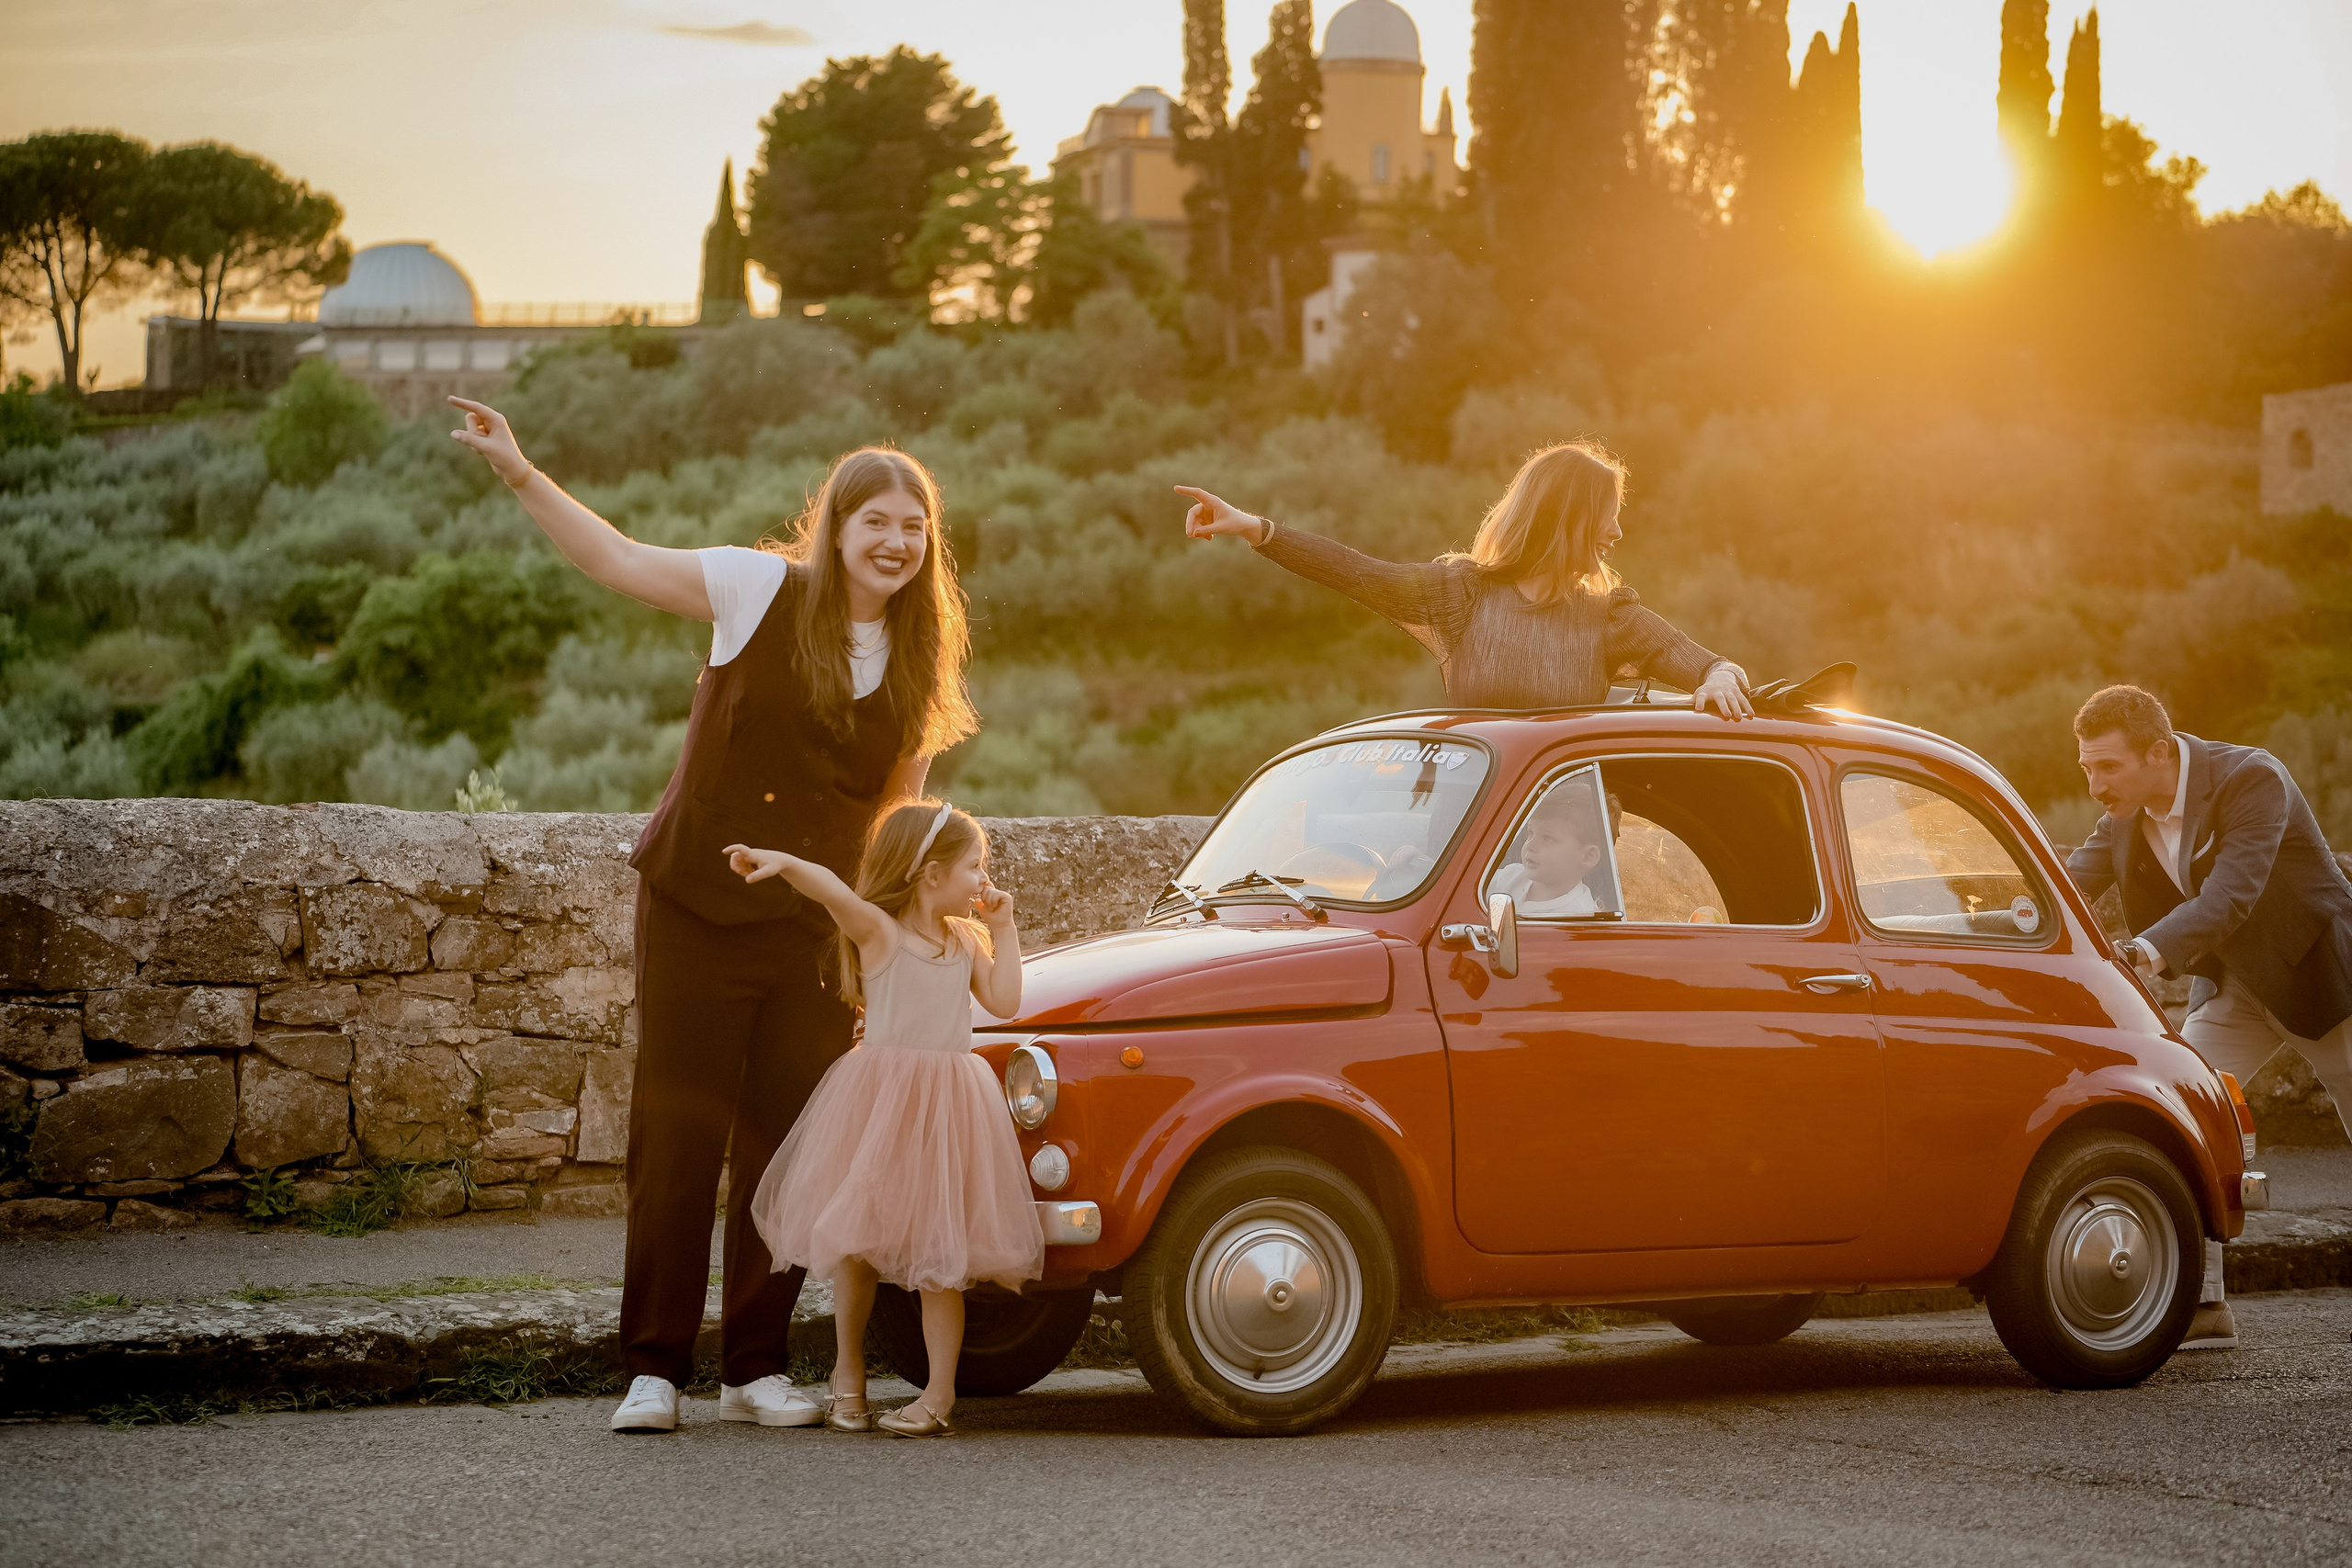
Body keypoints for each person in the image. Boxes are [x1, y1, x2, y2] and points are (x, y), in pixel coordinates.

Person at [446, 397, 978, 1435]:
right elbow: (616, 558)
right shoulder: (757, 587)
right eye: (877, 521)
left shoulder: (917, 669)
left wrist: (900, 937)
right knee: (676, 1138)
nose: (897, 542)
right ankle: (652, 1369)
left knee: (788, 1149)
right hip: (695, 901)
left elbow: (892, 826)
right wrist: (518, 469)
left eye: (914, 527)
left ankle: (753, 1366)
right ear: (836, 525)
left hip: (812, 932)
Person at [729, 800, 1043, 1437]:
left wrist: (1004, 928)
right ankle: (848, 1375)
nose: (984, 878)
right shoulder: (881, 934)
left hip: (948, 1110)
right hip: (880, 1105)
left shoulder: (963, 939)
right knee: (857, 1248)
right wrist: (785, 861)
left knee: (940, 1259)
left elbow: (1007, 1001)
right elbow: (833, 891)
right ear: (930, 874)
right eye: (974, 866)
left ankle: (939, 1395)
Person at [2067, 684, 2352, 1350]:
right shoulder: (2122, 817)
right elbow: (2064, 881)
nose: (2094, 785)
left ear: (2158, 752)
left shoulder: (2252, 778)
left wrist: (2142, 952)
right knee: (2182, 1114)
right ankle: (2201, 1305)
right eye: (2086, 768)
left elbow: (2230, 897)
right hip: (2235, 989)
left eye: (2107, 766)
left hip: (2321, 977)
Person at [1175, 441, 1754, 719]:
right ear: (1569, 518)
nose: (1618, 532)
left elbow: (1703, 662)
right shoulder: (1461, 595)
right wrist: (1254, 528)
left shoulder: (1611, 616)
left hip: (1574, 865)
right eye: (1609, 514)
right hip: (1482, 847)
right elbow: (1358, 573)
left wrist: (1719, 678)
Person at [1491, 785, 1606, 917]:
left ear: (1588, 856)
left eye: (1547, 838)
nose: (1530, 845)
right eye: (1530, 834)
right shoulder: (1511, 877)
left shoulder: (1579, 917)